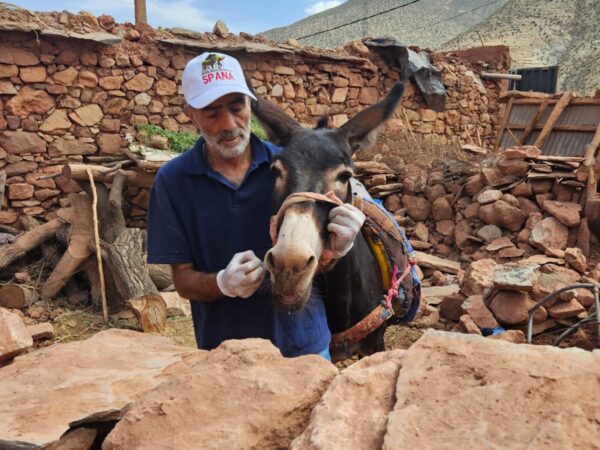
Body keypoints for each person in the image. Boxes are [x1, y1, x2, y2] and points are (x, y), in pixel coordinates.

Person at [146, 52, 365, 359]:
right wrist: (222, 283)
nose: (228, 124)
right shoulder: (172, 182)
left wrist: (338, 248)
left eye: (237, 108)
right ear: (189, 113)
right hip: (227, 355)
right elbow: (182, 279)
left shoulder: (293, 165)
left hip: (305, 350)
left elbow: (321, 264)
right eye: (211, 113)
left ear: (249, 104)